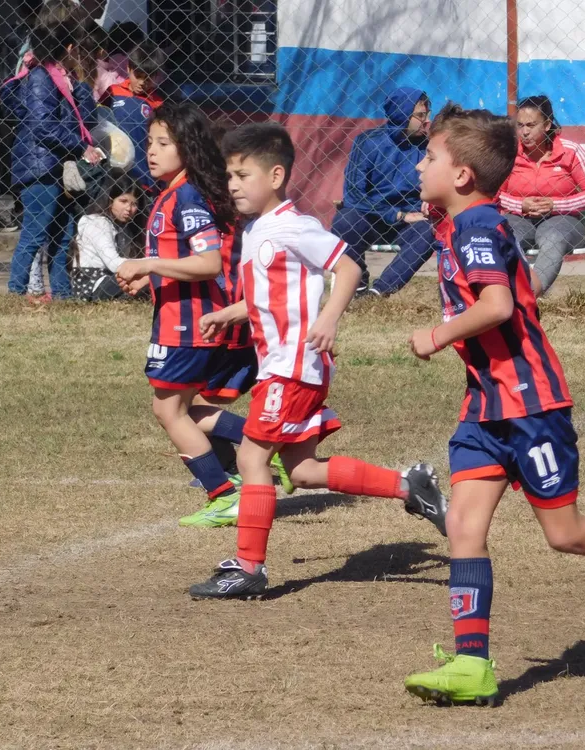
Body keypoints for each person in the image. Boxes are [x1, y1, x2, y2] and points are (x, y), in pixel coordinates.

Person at [401, 104, 585, 706]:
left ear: (462, 177)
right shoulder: (457, 216)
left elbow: (498, 306)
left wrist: (438, 333)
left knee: (565, 534)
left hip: (532, 405)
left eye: (431, 157)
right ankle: (472, 664)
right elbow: (442, 204)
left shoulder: (479, 226)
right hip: (483, 409)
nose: (419, 164)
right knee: (464, 529)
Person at [186, 123, 448, 599]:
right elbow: (275, 296)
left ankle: (249, 567)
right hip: (283, 365)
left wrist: (330, 318)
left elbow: (347, 265)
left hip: (292, 365)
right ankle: (409, 486)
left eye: (244, 174)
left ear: (276, 175)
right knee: (302, 471)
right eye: (230, 176)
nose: (234, 185)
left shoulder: (294, 225)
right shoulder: (259, 229)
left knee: (250, 456)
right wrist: (232, 312)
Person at [111, 101, 250, 526]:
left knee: (169, 410)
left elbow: (209, 262)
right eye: (150, 141)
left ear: (186, 148)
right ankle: (263, 448)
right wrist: (149, 279)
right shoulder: (173, 192)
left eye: (163, 143)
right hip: (178, 317)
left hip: (188, 324)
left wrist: (149, 266)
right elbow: (179, 256)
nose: (151, 151)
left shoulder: (187, 195)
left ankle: (224, 492)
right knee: (183, 408)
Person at [1, 22, 100, 298]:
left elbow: (87, 118)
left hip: (55, 167)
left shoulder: (63, 80)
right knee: (34, 234)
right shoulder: (42, 77)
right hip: (40, 167)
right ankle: (15, 292)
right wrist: (80, 146)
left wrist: (78, 87)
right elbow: (42, 125)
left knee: (62, 234)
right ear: (68, 48)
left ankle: (63, 294)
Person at [331, 87, 437, 297]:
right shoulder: (368, 142)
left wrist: (428, 205)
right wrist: (396, 215)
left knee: (429, 232)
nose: (426, 121)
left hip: (410, 219)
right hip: (372, 214)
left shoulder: (428, 147)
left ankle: (379, 292)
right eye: (420, 115)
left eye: (428, 115)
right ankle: (358, 284)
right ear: (402, 114)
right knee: (344, 221)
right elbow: (353, 194)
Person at [499, 95, 585, 294]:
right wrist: (520, 205)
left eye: (531, 125)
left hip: (563, 219)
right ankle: (503, 294)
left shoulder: (571, 151)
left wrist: (555, 205)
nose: (525, 132)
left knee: (553, 237)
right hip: (519, 217)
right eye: (520, 125)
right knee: (505, 236)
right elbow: (495, 194)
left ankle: (530, 296)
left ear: (547, 125)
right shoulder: (510, 153)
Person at [99, 40, 165, 196]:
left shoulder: (158, 104)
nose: (142, 83)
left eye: (148, 78)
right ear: (128, 68)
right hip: (112, 175)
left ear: (156, 76)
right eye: (138, 76)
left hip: (144, 180)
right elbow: (99, 122)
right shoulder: (113, 93)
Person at [70, 172, 142, 301]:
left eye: (134, 204)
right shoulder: (98, 223)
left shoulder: (122, 226)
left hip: (110, 279)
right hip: (94, 286)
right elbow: (114, 264)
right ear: (110, 200)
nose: (129, 209)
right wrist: (153, 264)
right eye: (123, 201)